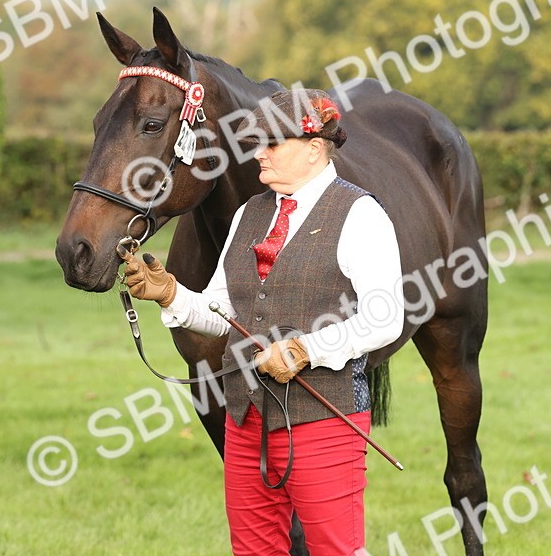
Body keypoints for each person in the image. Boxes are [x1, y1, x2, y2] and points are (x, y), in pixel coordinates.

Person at [122, 87, 405, 556]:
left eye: (273, 143)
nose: (260, 153)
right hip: (246, 417)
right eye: (257, 142)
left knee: (337, 549)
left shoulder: (360, 215)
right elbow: (224, 310)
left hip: (326, 418)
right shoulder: (248, 214)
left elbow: (386, 315)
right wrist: (169, 294)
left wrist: (305, 349)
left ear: (314, 148)